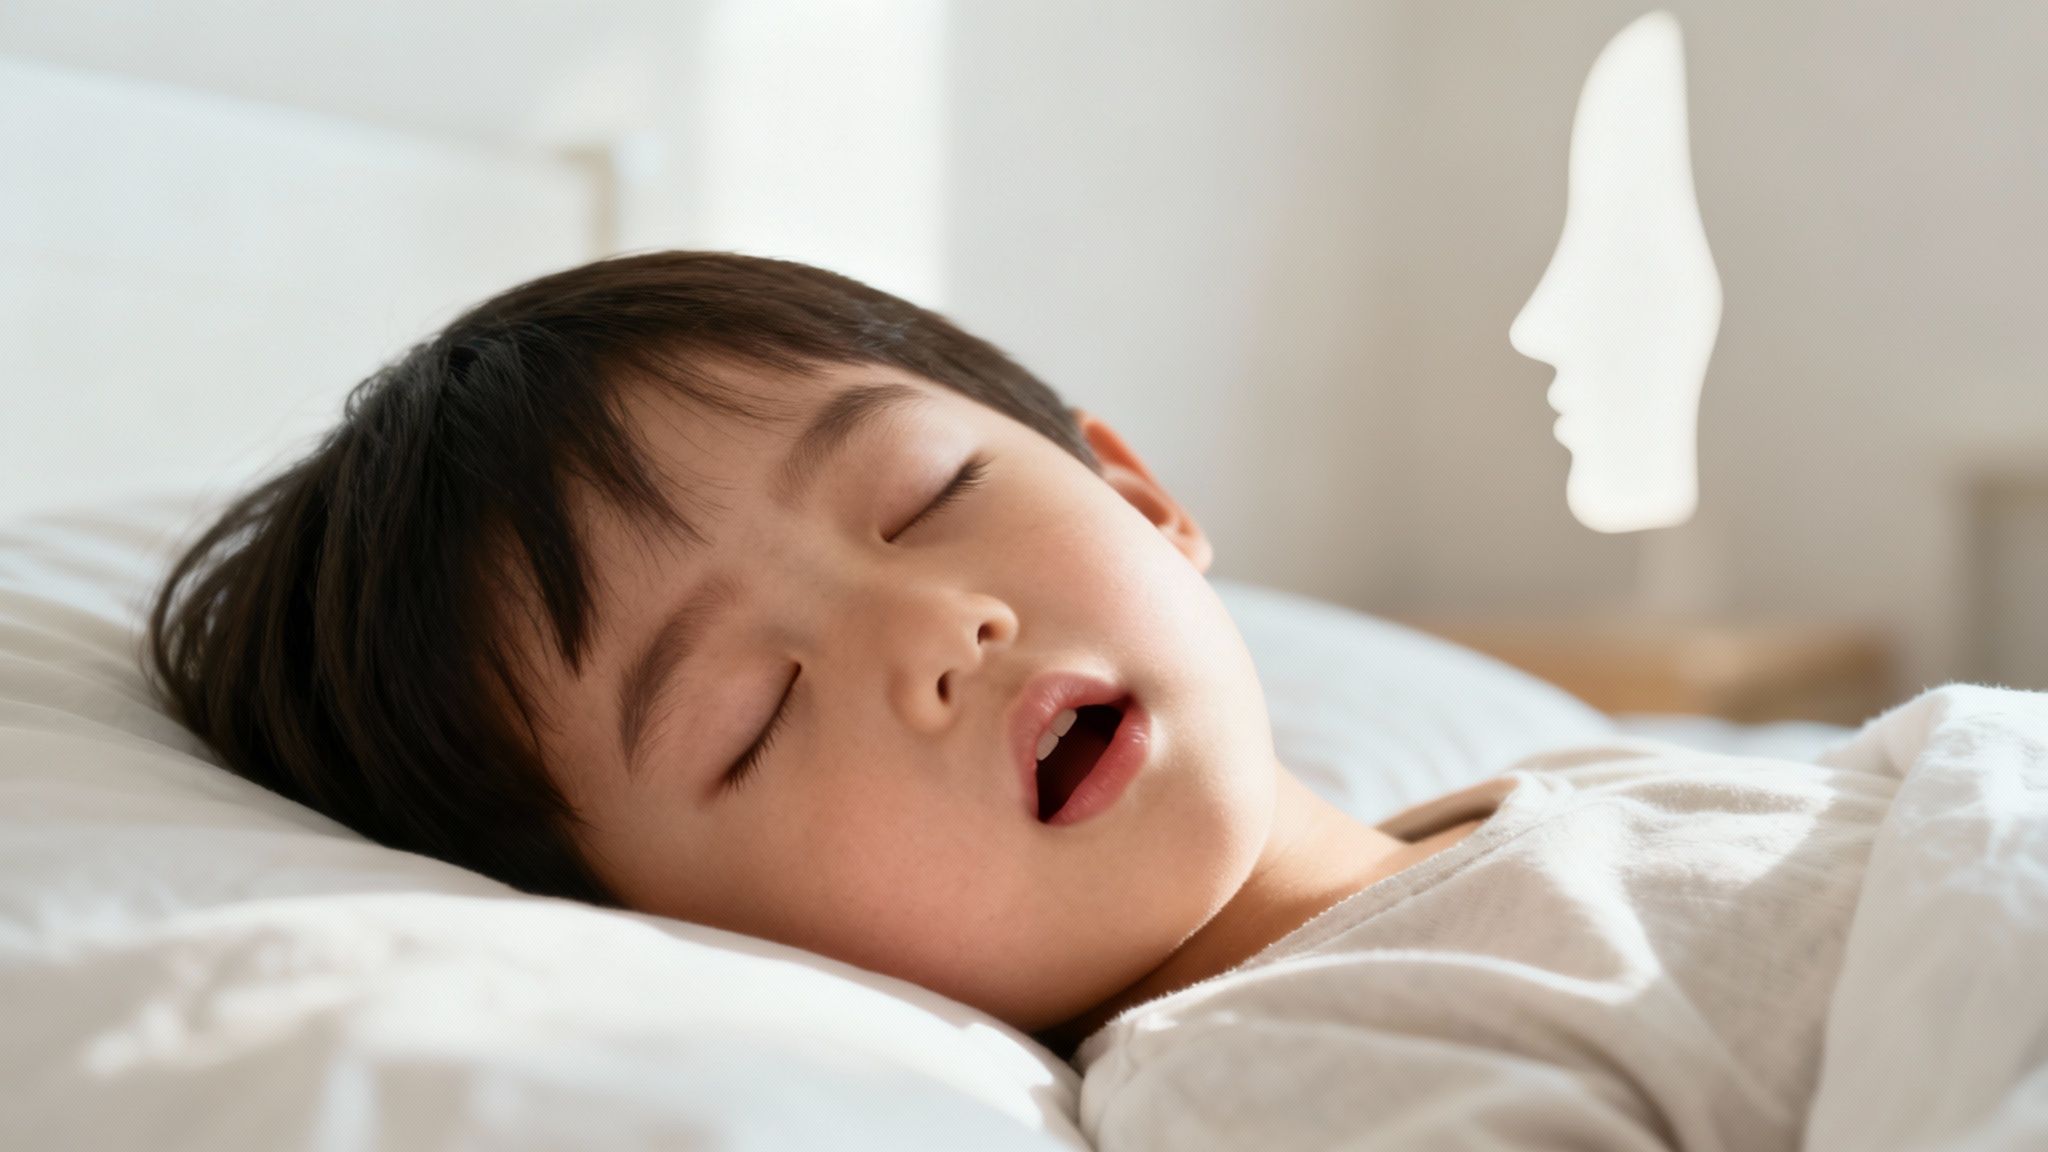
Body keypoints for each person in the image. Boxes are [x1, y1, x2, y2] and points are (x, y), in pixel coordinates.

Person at [150, 250, 1896, 1149]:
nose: (937, 628)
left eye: (920, 500)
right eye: (749, 714)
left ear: (1139, 497)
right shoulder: (1283, 1077)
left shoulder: (1590, 795)